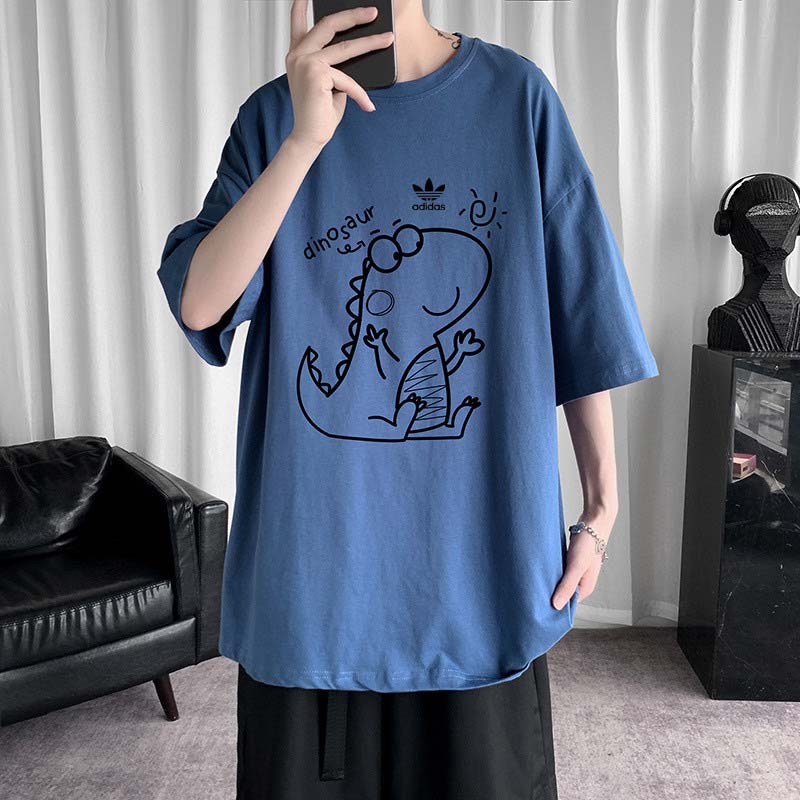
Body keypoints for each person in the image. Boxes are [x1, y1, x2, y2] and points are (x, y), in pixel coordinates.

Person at [156, 1, 659, 798]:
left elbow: (581, 307)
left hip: (479, 567)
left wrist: (602, 508)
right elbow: (200, 303)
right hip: (318, 578)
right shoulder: (274, 117)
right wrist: (304, 142)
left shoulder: (516, 99)